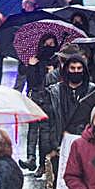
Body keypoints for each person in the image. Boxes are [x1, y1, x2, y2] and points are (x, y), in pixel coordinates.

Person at [40, 54, 95, 189]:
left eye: (79, 69)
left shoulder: (91, 91)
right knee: (59, 188)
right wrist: (49, 146)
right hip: (61, 143)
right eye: (72, 69)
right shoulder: (55, 91)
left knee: (88, 187)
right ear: (66, 70)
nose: (76, 72)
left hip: (85, 143)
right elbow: (46, 120)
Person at [19, 34, 59, 175]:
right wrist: (31, 66)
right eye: (46, 43)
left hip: (49, 100)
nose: (49, 46)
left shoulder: (57, 62)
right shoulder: (35, 59)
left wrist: (52, 73)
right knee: (32, 129)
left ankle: (43, 163)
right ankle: (31, 159)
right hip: (35, 98)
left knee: (45, 133)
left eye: (52, 44)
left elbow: (56, 84)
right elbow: (31, 82)